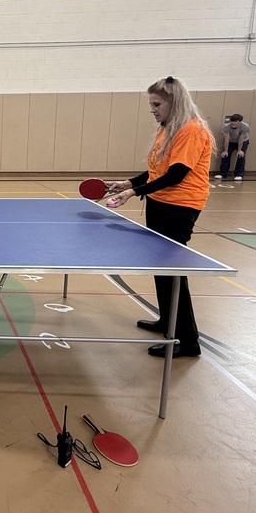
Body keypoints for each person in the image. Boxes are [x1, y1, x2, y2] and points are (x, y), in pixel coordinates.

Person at [102, 76, 215, 359]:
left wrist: (133, 193)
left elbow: (176, 175)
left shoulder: (190, 130)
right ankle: (168, 321)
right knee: (161, 266)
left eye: (156, 104)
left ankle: (189, 341)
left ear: (173, 102)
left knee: (173, 271)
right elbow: (157, 171)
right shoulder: (169, 128)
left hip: (180, 206)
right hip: (160, 202)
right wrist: (129, 184)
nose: (152, 109)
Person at [215, 113, 249, 181]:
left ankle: (239, 174)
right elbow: (226, 139)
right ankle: (223, 173)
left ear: (239, 122)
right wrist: (225, 151)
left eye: (235, 123)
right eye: (232, 122)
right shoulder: (226, 127)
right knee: (225, 156)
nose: (233, 124)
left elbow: (241, 139)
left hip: (243, 141)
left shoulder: (245, 126)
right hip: (231, 141)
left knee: (241, 156)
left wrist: (239, 150)